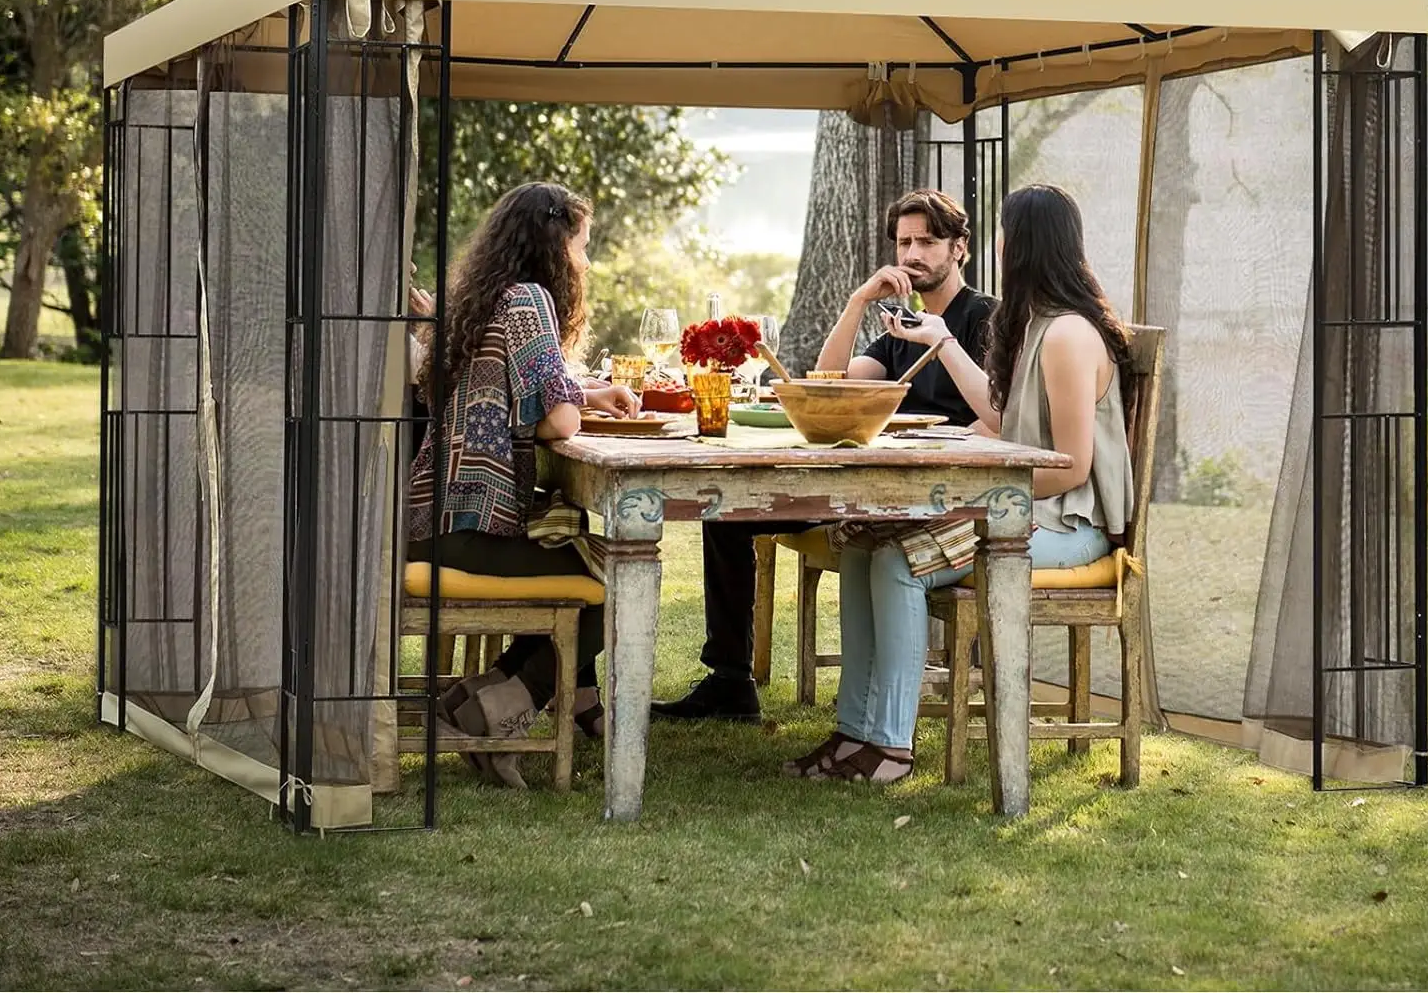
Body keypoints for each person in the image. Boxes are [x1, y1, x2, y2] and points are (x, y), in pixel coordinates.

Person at [784, 182, 1135, 782]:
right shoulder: (1036, 325)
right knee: (865, 543)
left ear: (1018, 245)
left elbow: (1071, 467)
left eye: (1003, 234)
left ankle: (891, 749)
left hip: (1069, 524)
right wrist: (945, 346)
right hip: (1021, 512)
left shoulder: (1069, 335)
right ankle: (853, 734)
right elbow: (1003, 421)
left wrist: (972, 504)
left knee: (898, 559)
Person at [651, 188, 996, 723]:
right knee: (725, 517)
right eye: (904, 242)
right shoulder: (901, 323)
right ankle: (729, 681)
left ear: (960, 249)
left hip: (933, 493)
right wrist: (858, 301)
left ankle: (875, 704)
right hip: (866, 479)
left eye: (927, 241)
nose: (911, 254)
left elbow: (996, 414)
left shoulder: (980, 318)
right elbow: (826, 382)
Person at [406, 181, 635, 787]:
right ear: (556, 244)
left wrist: (585, 391)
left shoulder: (483, 299)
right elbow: (560, 421)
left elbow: (507, 391)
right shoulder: (530, 300)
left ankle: (498, 700)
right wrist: (574, 401)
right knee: (614, 582)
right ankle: (492, 709)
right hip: (465, 532)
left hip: (428, 522)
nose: (585, 261)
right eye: (583, 247)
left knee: (576, 545)